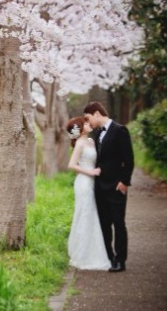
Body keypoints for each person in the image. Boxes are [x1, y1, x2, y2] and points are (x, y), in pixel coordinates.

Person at [83, 101, 134, 272]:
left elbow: (129, 159)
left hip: (116, 186)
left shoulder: (120, 130)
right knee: (104, 224)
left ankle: (120, 260)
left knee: (118, 223)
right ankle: (109, 257)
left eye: (89, 118)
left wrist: (124, 182)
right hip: (99, 187)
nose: (88, 122)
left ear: (97, 113)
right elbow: (77, 140)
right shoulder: (96, 134)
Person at [66, 116, 112, 270]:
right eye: (85, 123)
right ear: (80, 129)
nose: (89, 124)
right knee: (85, 214)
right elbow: (71, 165)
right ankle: (83, 255)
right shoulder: (79, 144)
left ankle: (93, 251)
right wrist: (90, 171)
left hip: (93, 182)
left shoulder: (91, 141)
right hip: (84, 183)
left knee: (93, 215)